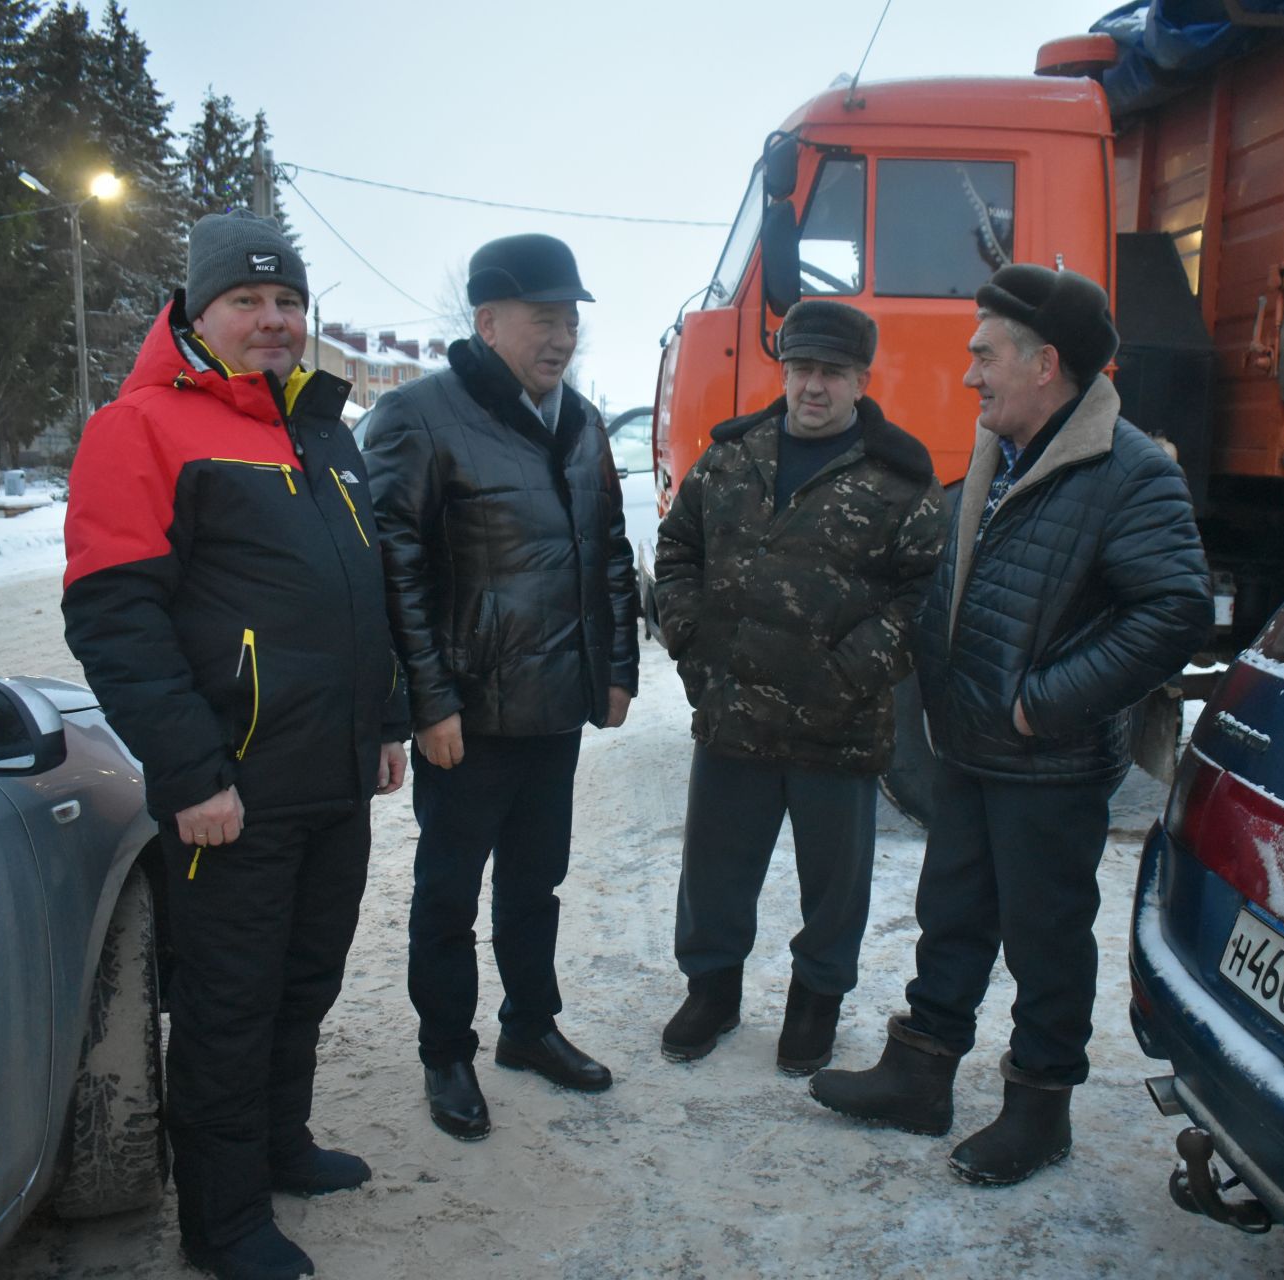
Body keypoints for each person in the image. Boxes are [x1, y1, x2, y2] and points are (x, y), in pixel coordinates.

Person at [809, 265, 1213, 1187]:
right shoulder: (1005, 454)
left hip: (1048, 758)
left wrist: (1045, 701)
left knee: (1046, 940)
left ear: (1046, 363)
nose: (968, 376)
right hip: (971, 747)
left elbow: (1175, 612)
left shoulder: (1130, 473)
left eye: (984, 356)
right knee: (950, 916)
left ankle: (1040, 1111)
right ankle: (920, 1076)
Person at [63, 209, 409, 1280]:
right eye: (249, 301)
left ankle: (279, 1144)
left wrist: (384, 718)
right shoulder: (141, 426)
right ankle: (221, 1222)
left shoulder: (317, 426)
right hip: (232, 788)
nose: (274, 320)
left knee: (304, 978)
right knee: (228, 1000)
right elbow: (114, 616)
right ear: (199, 311)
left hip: (331, 774)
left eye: (289, 301)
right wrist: (191, 771)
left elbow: (360, 592)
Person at [361, 233, 638, 1142]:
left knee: (536, 884)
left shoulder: (585, 422)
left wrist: (619, 671)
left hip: (555, 707)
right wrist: (425, 702)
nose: (559, 336)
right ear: (487, 322)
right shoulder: (420, 417)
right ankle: (447, 1051)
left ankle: (530, 1028)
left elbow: (610, 555)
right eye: (541, 318)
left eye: (569, 320)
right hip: (468, 716)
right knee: (448, 894)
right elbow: (391, 569)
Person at [652, 299, 945, 1074]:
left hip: (836, 725)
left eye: (831, 373)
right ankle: (711, 992)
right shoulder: (731, 457)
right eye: (801, 370)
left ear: (860, 380)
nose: (812, 387)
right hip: (734, 712)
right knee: (714, 869)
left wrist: (849, 672)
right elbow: (676, 549)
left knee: (835, 887)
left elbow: (923, 597)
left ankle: (816, 1003)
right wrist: (693, 643)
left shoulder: (898, 479)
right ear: (785, 372)